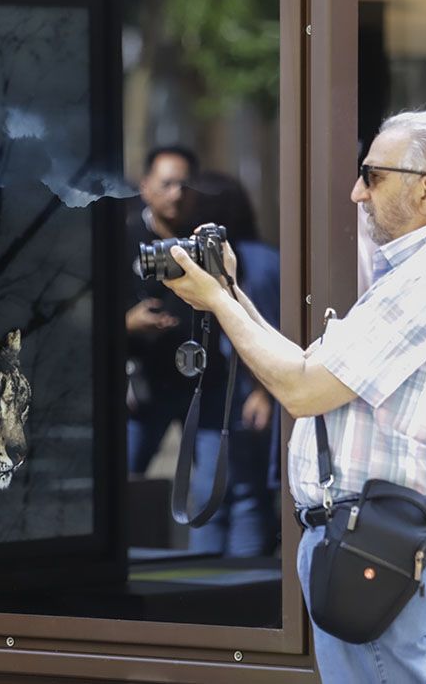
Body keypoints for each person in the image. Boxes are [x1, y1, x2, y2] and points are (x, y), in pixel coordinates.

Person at [163, 110, 426, 682]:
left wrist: (220, 304)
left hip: (373, 543)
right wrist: (231, 293)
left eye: (372, 176)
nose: (355, 192)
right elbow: (308, 368)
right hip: (366, 540)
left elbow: (300, 389)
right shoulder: (420, 272)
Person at [126, 146, 279, 557]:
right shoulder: (122, 237)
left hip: (206, 382)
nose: (176, 194)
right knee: (119, 486)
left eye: (184, 185)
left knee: (216, 491)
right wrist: (128, 324)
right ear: (145, 188)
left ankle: (210, 588)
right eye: (166, 184)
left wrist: (260, 388)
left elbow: (243, 318)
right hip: (142, 388)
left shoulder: (208, 241)